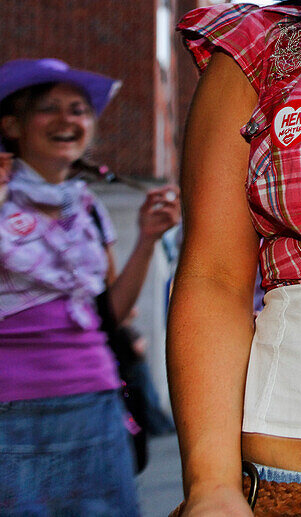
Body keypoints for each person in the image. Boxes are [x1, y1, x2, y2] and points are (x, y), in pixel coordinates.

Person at [0, 58, 180, 515]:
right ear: (12, 125)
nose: (68, 120)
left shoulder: (89, 210)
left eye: (79, 109)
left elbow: (110, 316)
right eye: (50, 108)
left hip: (96, 404)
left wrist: (146, 239)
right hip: (12, 413)